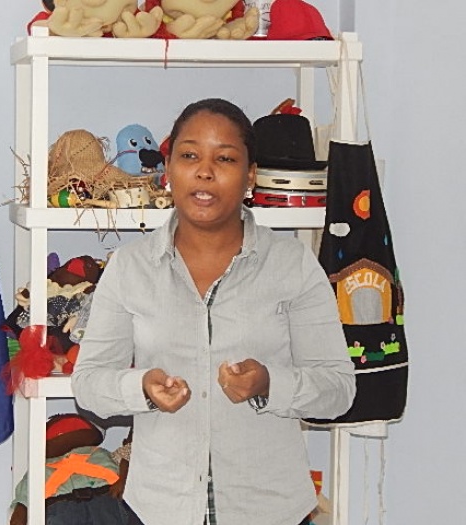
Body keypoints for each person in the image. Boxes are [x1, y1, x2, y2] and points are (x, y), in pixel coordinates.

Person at [71, 97, 356, 525]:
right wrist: (141, 388)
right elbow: (88, 384)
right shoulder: (130, 267)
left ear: (250, 175)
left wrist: (269, 383)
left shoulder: (292, 264)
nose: (204, 171)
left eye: (224, 158)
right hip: (161, 508)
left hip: (269, 509)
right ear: (168, 170)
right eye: (189, 156)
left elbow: (338, 390)